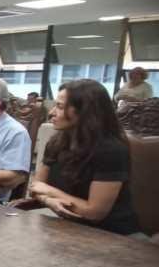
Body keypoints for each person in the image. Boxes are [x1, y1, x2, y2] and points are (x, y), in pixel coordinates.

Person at [28, 80, 148, 240]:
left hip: (117, 236)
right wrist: (47, 200)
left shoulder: (110, 150)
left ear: (84, 111)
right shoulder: (57, 142)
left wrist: (49, 192)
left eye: (61, 107)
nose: (52, 112)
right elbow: (36, 188)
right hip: (71, 230)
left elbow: (94, 213)